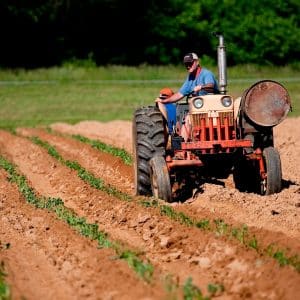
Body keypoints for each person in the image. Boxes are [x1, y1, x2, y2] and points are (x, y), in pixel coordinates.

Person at [155, 52, 219, 141]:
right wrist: (164, 101)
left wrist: (201, 87)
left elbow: (211, 86)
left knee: (189, 119)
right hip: (198, 110)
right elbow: (179, 95)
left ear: (197, 62)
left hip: (213, 108)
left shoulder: (206, 74)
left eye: (190, 63)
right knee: (187, 120)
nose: (188, 66)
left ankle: (185, 146)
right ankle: (183, 146)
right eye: (186, 64)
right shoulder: (190, 78)